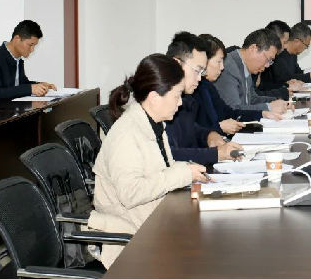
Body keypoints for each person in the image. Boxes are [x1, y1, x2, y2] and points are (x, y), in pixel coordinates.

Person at [88, 54, 207, 268]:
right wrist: (181, 174)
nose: (180, 103)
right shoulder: (127, 134)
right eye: (176, 96)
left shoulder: (153, 123)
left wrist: (187, 170)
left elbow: (160, 171)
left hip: (154, 221)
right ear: (154, 97)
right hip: (133, 236)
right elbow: (130, 194)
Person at [163, 32, 241, 166]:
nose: (200, 78)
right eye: (197, 71)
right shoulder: (160, 100)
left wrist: (209, 135)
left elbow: (191, 129)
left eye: (202, 72)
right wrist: (216, 154)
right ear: (177, 64)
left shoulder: (185, 98)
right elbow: (168, 155)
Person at [193, 33, 283, 137]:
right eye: (219, 61)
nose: (222, 67)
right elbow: (190, 131)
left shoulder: (207, 85)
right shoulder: (228, 69)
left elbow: (230, 112)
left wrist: (262, 113)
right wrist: (218, 128)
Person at [0, 20, 57, 107]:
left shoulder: (18, 60)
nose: (32, 50)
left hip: (8, 111)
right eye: (30, 45)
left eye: (34, 46)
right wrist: (30, 89)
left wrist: (39, 85)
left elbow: (19, 85)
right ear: (17, 39)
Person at [215, 28, 290, 113]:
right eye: (268, 59)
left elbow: (252, 99)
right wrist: (268, 107)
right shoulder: (228, 68)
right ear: (253, 48)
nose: (267, 65)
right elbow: (233, 110)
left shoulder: (245, 66)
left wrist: (278, 101)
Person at [259, 22, 311, 91]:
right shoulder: (278, 54)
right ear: (297, 41)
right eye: (306, 46)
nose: (284, 47)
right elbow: (283, 78)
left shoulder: (293, 55)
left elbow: (298, 74)